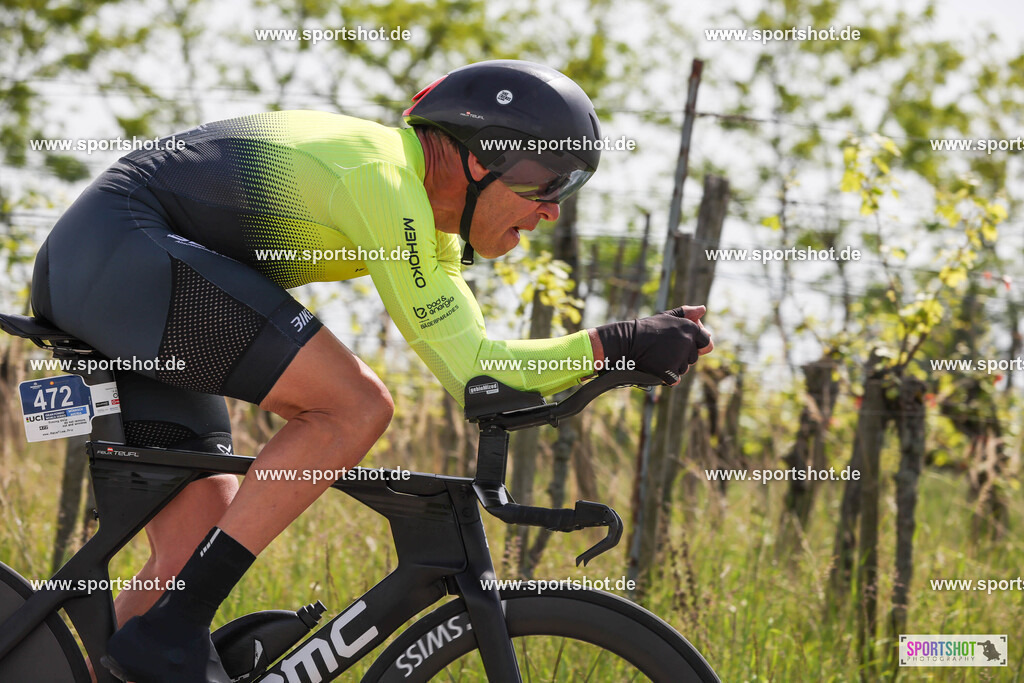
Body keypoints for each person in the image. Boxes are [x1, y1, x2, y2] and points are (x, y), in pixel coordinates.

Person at [29, 59, 712, 682]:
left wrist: (616, 353)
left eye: (572, 185)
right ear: (482, 160)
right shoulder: (382, 179)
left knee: (189, 552)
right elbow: (476, 368)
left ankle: (140, 648)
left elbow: (481, 373)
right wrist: (611, 342)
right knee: (353, 406)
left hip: (124, 274)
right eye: (547, 178)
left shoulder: (431, 227)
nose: (554, 207)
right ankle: (167, 635)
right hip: (117, 255)